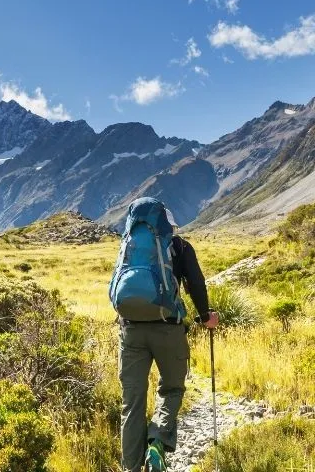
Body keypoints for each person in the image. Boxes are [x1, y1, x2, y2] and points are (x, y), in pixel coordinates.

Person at [111, 200, 219, 472]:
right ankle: (157, 444)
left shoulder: (130, 246)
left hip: (131, 330)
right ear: (167, 223)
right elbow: (195, 283)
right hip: (168, 328)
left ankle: (131, 468)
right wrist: (206, 316)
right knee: (171, 388)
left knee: (132, 403)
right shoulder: (180, 246)